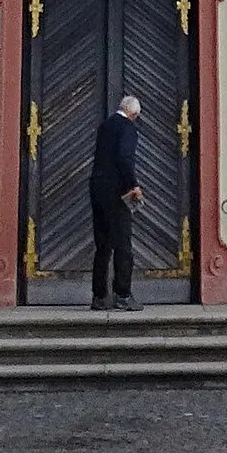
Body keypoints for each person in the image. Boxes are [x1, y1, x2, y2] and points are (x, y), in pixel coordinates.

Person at [90, 93, 143, 311]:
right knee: (123, 244)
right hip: (116, 194)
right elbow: (124, 157)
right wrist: (133, 185)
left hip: (97, 189)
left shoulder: (106, 125)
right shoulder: (128, 127)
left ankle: (99, 296)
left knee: (102, 245)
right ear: (135, 114)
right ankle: (122, 294)